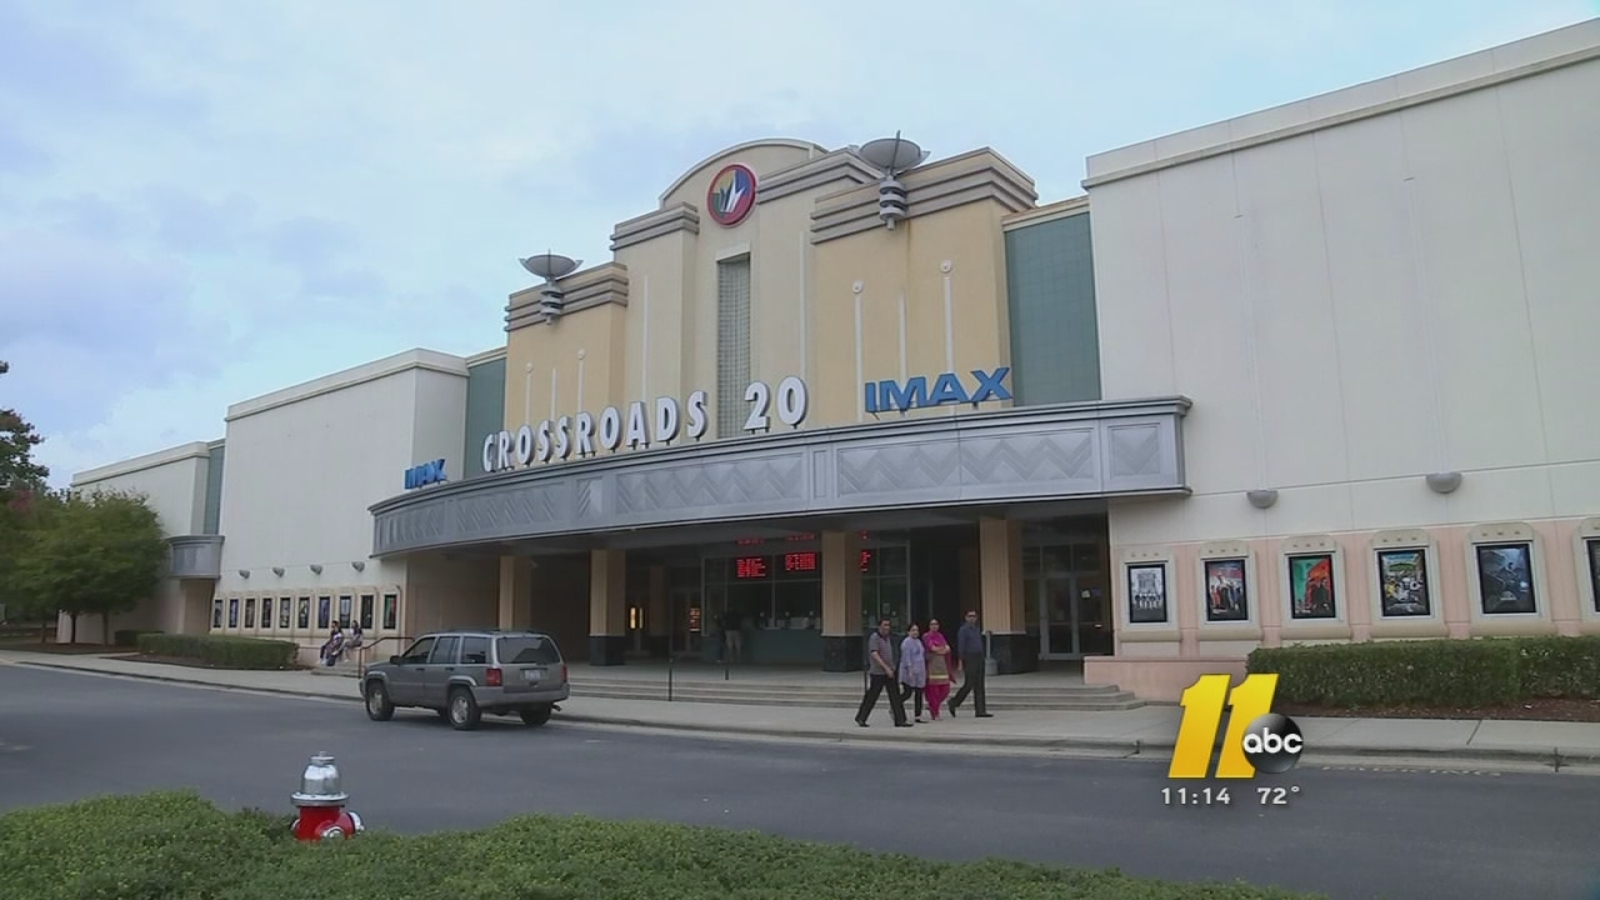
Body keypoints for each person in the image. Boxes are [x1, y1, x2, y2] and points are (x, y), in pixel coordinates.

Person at [855, 618, 910, 728]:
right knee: (872, 696)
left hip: (890, 670)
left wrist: (892, 667)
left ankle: (900, 720)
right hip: (878, 672)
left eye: (888, 625)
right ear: (879, 626)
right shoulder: (875, 637)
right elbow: (874, 654)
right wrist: (886, 668)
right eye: (885, 625)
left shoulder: (888, 638)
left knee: (895, 696)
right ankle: (861, 717)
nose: (887, 628)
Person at [947, 610, 991, 717]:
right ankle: (954, 702)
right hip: (969, 658)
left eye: (974, 616)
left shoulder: (976, 629)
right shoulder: (963, 630)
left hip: (979, 656)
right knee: (969, 683)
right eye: (970, 616)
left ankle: (980, 710)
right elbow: (961, 646)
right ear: (966, 618)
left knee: (980, 684)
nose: (972, 618)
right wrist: (961, 661)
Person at [922, 618, 953, 721]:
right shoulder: (926, 636)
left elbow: (948, 648)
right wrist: (941, 649)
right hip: (932, 667)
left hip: (942, 666)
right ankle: (935, 713)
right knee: (933, 691)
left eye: (936, 624)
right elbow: (932, 648)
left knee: (945, 689)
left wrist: (939, 650)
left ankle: (933, 705)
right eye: (932, 624)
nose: (934, 626)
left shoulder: (940, 636)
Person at [898, 622, 928, 722]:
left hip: (920, 671)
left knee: (919, 694)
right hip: (909, 671)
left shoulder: (919, 642)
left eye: (917, 630)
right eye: (913, 630)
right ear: (908, 632)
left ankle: (918, 715)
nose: (915, 632)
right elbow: (907, 658)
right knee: (908, 693)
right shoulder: (906, 642)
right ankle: (895, 705)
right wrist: (910, 670)